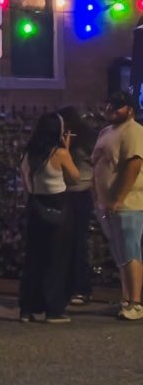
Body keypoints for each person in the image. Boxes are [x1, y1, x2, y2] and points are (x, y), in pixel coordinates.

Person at [17, 111, 80, 323]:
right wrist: (67, 150)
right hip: (58, 205)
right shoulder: (59, 153)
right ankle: (54, 309)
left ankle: (27, 308)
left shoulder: (28, 153)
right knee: (57, 259)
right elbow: (74, 177)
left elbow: (25, 183)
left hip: (35, 206)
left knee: (34, 258)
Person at [92, 90, 143, 319]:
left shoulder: (134, 132)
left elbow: (134, 164)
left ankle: (136, 303)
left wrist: (119, 197)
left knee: (131, 252)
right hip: (107, 205)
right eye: (110, 104)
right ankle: (125, 299)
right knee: (120, 253)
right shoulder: (107, 131)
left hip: (128, 204)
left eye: (118, 106)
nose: (111, 109)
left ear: (130, 110)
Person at [58, 105, 98, 306]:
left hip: (78, 192)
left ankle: (80, 287)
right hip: (74, 192)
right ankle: (74, 287)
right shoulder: (81, 139)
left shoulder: (82, 140)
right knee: (72, 242)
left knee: (78, 242)